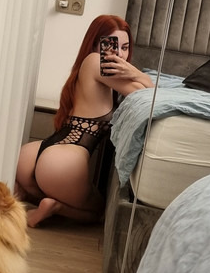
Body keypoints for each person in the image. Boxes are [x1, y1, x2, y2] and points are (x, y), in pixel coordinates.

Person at [15, 14, 154, 227]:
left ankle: (30, 195)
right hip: (63, 163)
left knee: (52, 189)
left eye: (125, 47)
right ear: (95, 44)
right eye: (111, 45)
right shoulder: (96, 61)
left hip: (34, 154)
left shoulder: (87, 65)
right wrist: (137, 73)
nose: (119, 53)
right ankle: (55, 206)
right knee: (98, 212)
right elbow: (149, 95)